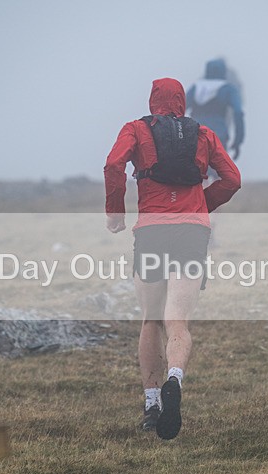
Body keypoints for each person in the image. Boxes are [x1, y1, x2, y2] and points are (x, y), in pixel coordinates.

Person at [104, 78, 241, 440]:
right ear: (183, 102)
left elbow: (113, 165)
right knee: (177, 321)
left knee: (151, 321)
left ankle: (152, 404)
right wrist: (201, 208)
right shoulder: (204, 134)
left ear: (153, 101)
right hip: (192, 233)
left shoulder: (135, 129)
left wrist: (115, 212)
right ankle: (175, 380)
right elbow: (233, 178)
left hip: (151, 233)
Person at [186, 58, 244, 160]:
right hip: (218, 135)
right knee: (218, 170)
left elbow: (179, 109)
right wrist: (237, 141)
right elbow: (238, 112)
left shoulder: (195, 88)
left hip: (194, 135)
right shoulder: (228, 89)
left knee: (195, 171)